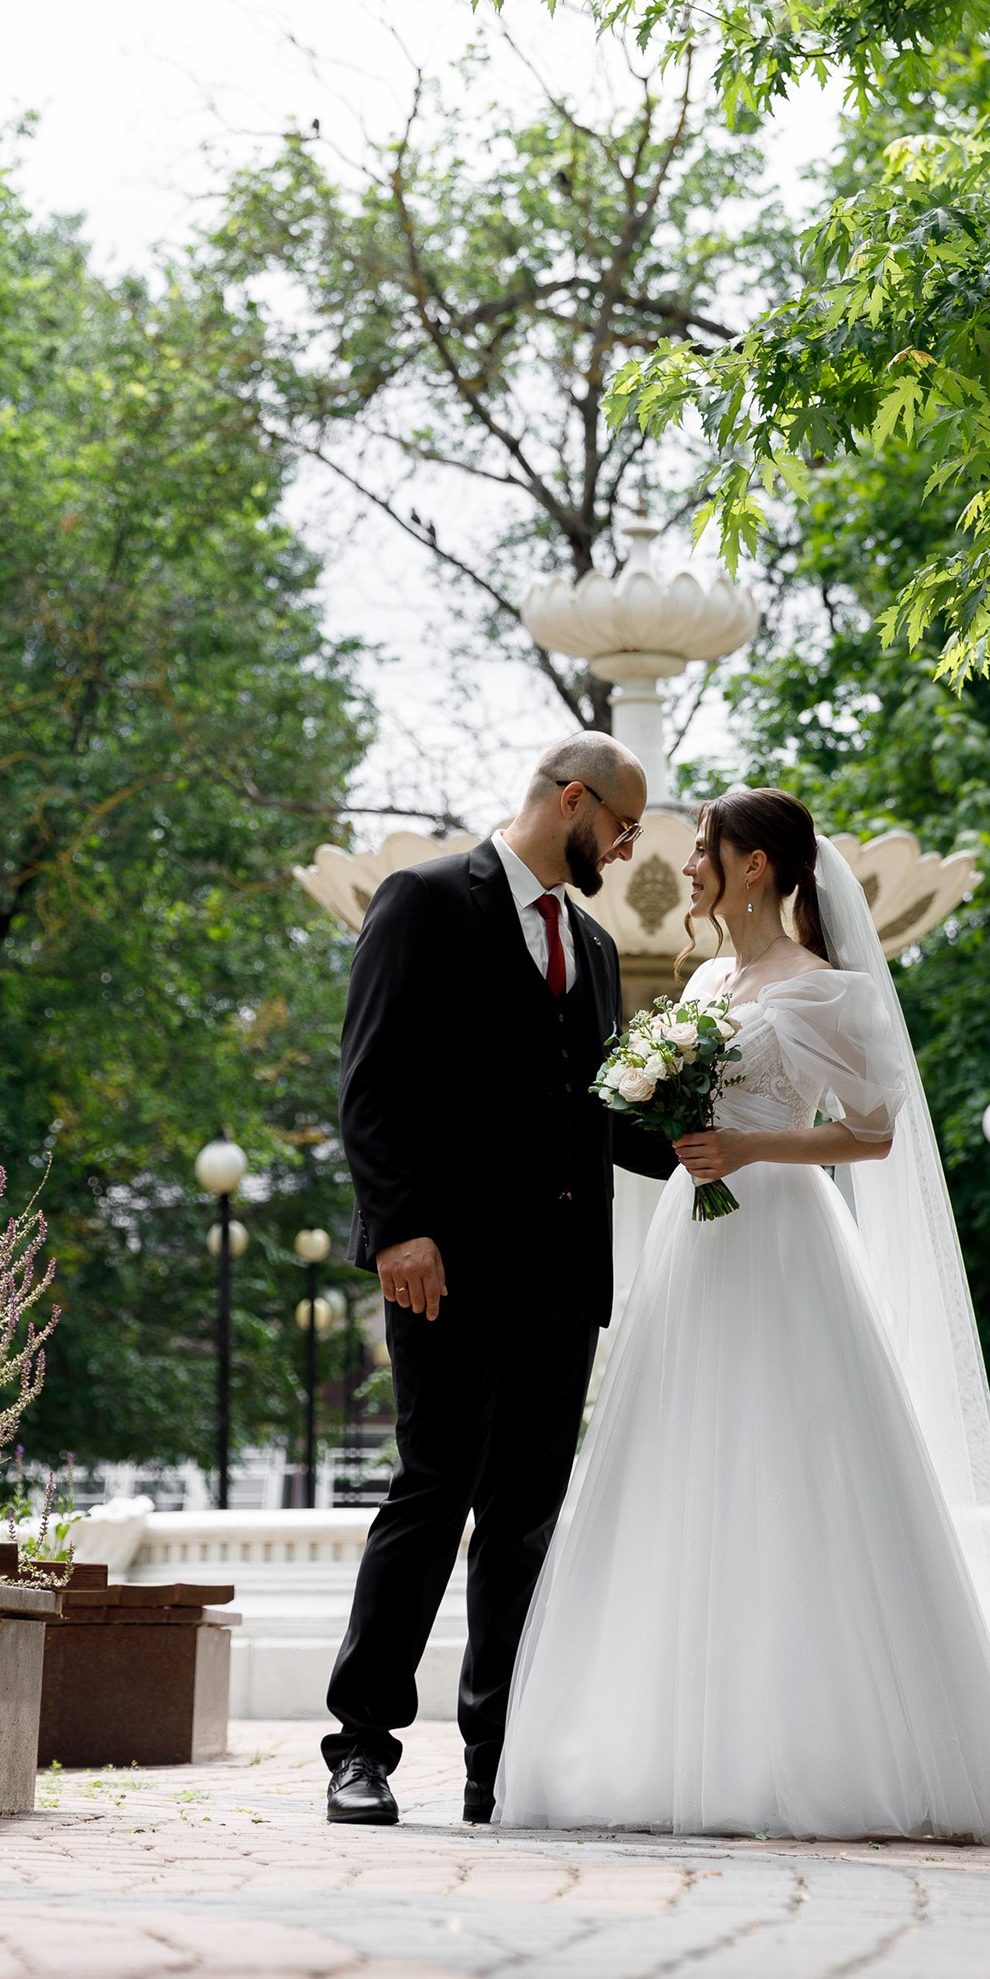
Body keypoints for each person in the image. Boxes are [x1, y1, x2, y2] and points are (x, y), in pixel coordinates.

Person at [494, 787, 990, 1843]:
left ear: (754, 866)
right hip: (696, 1239)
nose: (688, 870)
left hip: (783, 1240)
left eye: (705, 852)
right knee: (676, 1463)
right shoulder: (712, 979)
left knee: (795, 1462)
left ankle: (824, 1747)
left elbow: (871, 1136)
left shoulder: (830, 994)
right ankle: (651, 1745)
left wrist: (756, 1146)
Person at [320, 731, 677, 1828]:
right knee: (430, 1493)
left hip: (565, 1280)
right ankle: (362, 1748)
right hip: (448, 1267)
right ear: (571, 799)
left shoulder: (596, 947)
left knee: (523, 1520)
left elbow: (593, 1113)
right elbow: (372, 1081)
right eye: (618, 828)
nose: (622, 853)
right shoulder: (423, 899)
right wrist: (399, 1231)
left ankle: (497, 1762)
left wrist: (723, 1147)